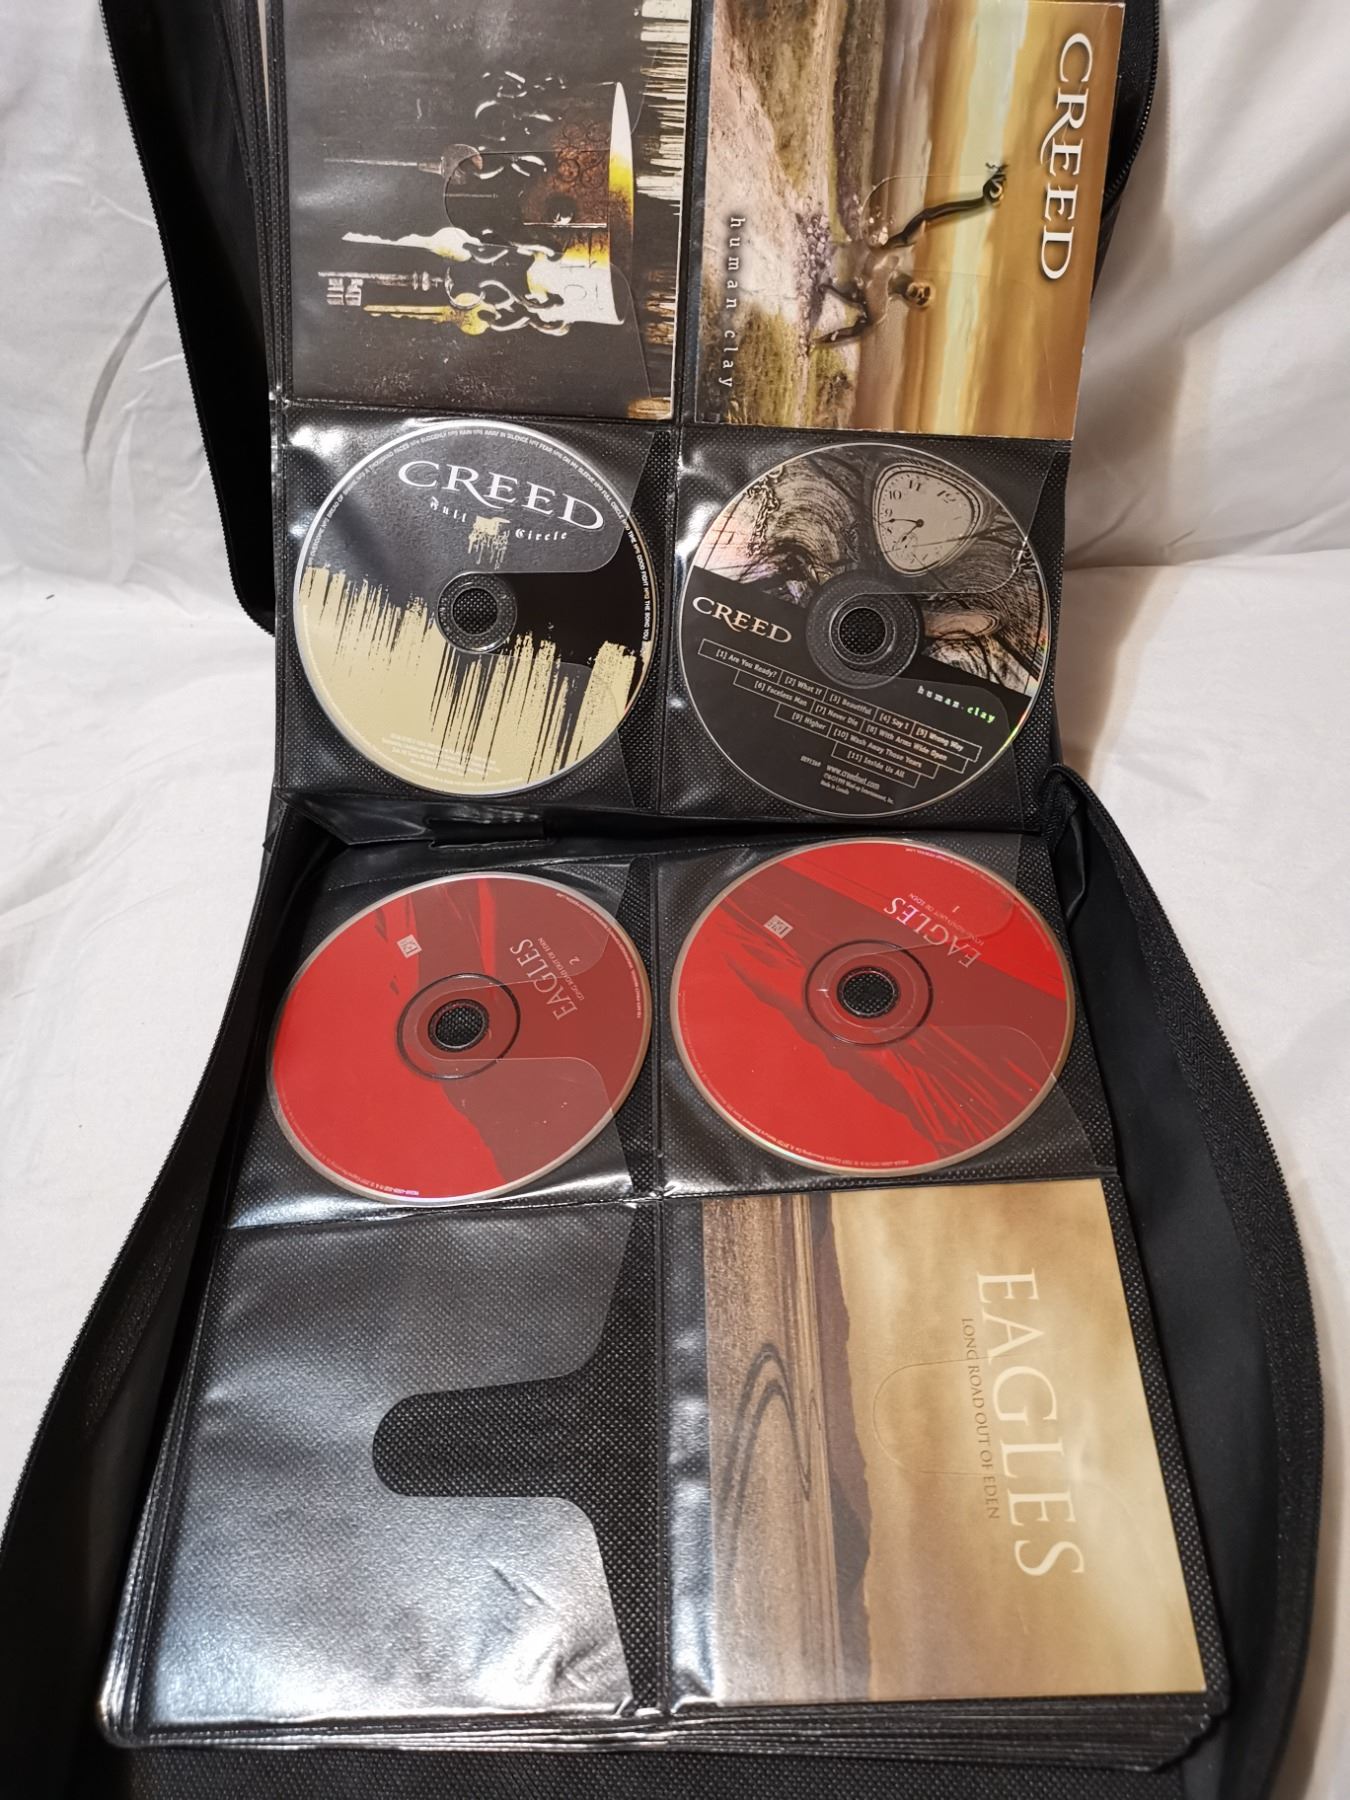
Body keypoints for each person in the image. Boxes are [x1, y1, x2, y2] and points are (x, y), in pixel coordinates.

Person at [813, 164, 1006, 350]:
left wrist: (816, 343)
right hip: (815, 249)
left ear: (912, 305)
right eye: (926, 291)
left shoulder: (878, 311)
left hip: (812, 277)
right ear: (921, 280)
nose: (921, 295)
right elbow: (927, 217)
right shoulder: (894, 251)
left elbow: (853, 332)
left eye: (921, 301)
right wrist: (979, 203)